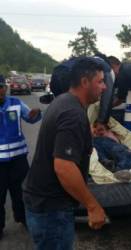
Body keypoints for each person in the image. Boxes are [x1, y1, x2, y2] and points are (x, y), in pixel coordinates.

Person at [22, 58, 107, 250]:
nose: (104, 87)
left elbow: (61, 139)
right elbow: (64, 167)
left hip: (41, 202)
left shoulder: (63, 101)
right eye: (100, 81)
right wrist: (92, 206)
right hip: (51, 209)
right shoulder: (73, 114)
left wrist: (86, 134)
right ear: (85, 82)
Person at [0, 75, 41, 239]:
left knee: (23, 192)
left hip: (19, 159)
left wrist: (35, 114)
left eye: (2, 86)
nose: (0, 90)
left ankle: (25, 219)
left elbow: (30, 118)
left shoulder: (16, 103)